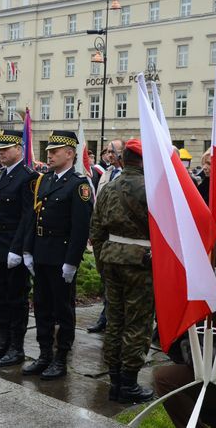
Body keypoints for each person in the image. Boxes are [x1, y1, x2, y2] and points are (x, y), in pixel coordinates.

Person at [22, 130, 93, 380]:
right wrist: (28, 249)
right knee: (41, 307)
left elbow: (80, 227)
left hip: (61, 257)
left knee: (63, 310)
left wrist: (72, 262)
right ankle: (44, 355)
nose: (49, 155)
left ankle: (61, 358)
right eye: (48, 151)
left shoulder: (78, 185)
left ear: (70, 153)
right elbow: (34, 216)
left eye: (54, 151)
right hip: (42, 253)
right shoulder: (46, 180)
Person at [89, 138, 154, 403]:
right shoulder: (151, 188)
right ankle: (128, 384)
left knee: (115, 322)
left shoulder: (108, 186)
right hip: (141, 264)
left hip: (112, 261)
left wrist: (102, 266)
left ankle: (115, 382)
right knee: (137, 324)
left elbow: (96, 230)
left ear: (123, 160)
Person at [152, 271, 216, 428]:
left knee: (164, 379)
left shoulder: (212, 295)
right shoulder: (215, 281)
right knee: (183, 371)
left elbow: (179, 338)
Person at [0, 130, 38, 367]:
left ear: (19, 150)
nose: (1, 153)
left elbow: (27, 217)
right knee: (0, 296)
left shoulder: (28, 177)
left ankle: (16, 347)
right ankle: (2, 342)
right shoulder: (0, 175)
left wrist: (18, 249)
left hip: (14, 246)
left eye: (6, 149)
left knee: (17, 298)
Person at [87, 139, 125, 333]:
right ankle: (106, 315)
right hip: (102, 235)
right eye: (108, 152)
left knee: (116, 281)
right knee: (105, 278)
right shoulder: (106, 173)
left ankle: (112, 317)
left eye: (113, 151)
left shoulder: (127, 175)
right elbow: (97, 204)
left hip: (120, 237)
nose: (109, 155)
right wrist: (93, 231)